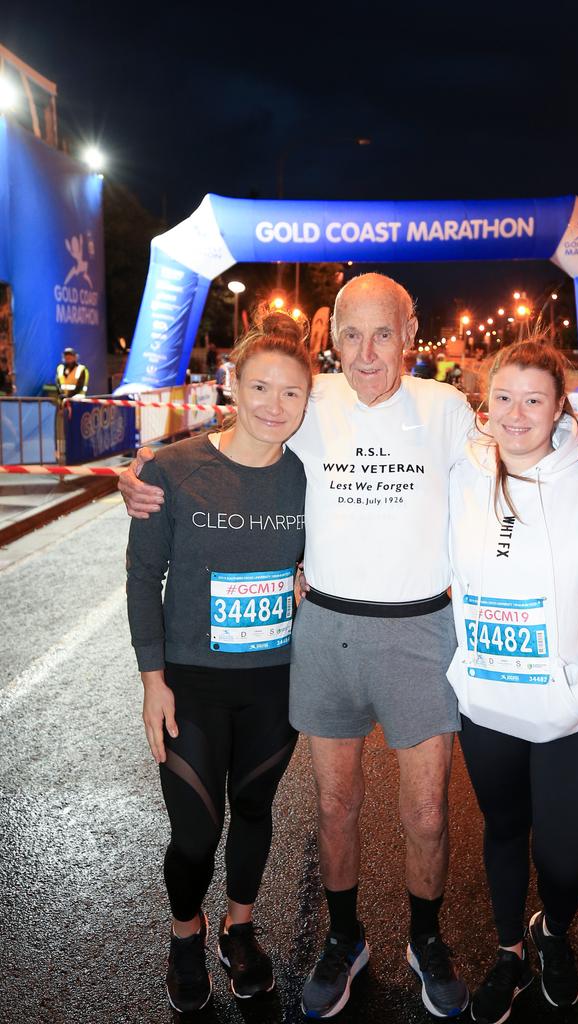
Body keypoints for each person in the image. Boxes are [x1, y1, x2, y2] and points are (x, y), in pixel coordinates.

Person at [119, 273, 578, 1020]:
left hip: (419, 629)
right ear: (329, 338)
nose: (366, 353)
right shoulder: (307, 405)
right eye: (350, 334)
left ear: (409, 337)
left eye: (383, 335)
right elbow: (236, 439)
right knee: (336, 806)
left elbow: (532, 439)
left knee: (428, 812)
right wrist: (145, 473)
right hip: (327, 629)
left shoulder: (443, 410)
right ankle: (345, 939)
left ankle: (425, 939)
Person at [447, 341, 578, 1023]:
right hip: (489, 709)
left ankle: (552, 930)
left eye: (534, 399)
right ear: (486, 404)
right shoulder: (460, 474)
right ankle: (509, 952)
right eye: (503, 397)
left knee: (566, 865)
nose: (516, 413)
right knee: (504, 831)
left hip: (577, 717)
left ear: (559, 407)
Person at [125, 309, 310, 1013]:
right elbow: (144, 577)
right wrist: (153, 683)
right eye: (260, 387)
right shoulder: (172, 469)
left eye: (291, 393)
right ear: (232, 385)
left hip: (274, 684)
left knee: (255, 809)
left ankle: (239, 928)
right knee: (196, 831)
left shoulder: (307, 477)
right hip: (192, 686)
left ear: (306, 402)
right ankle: (184, 933)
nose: (274, 405)